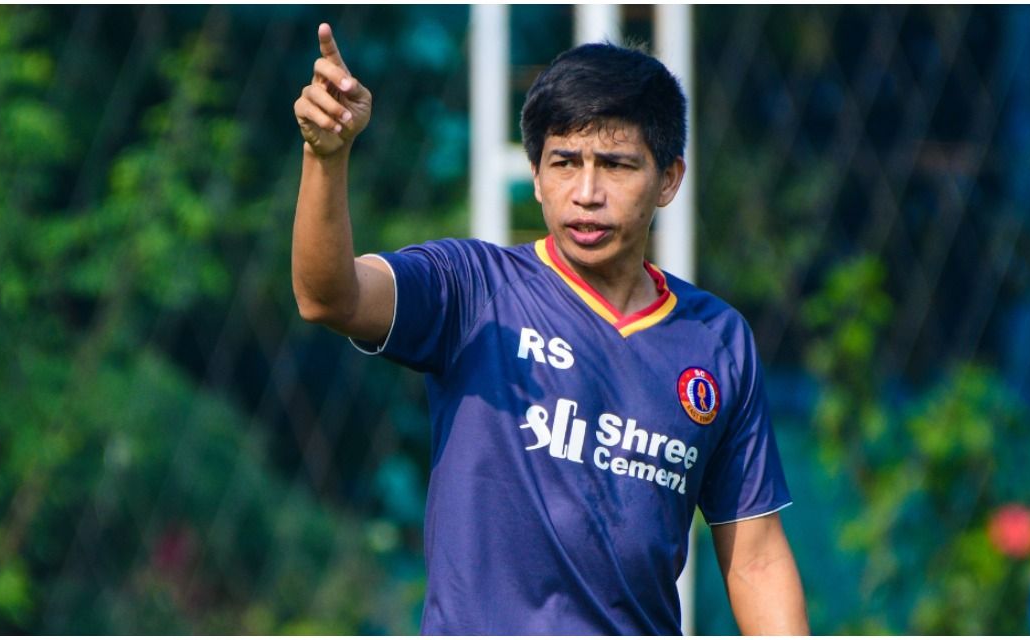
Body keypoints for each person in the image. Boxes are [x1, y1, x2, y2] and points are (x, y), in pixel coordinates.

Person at [292, 22, 809, 635]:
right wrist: (326, 158)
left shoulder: (717, 340)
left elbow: (755, 558)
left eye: (616, 165)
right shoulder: (473, 288)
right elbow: (328, 296)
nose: (586, 193)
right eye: (565, 162)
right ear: (535, 174)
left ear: (669, 179)